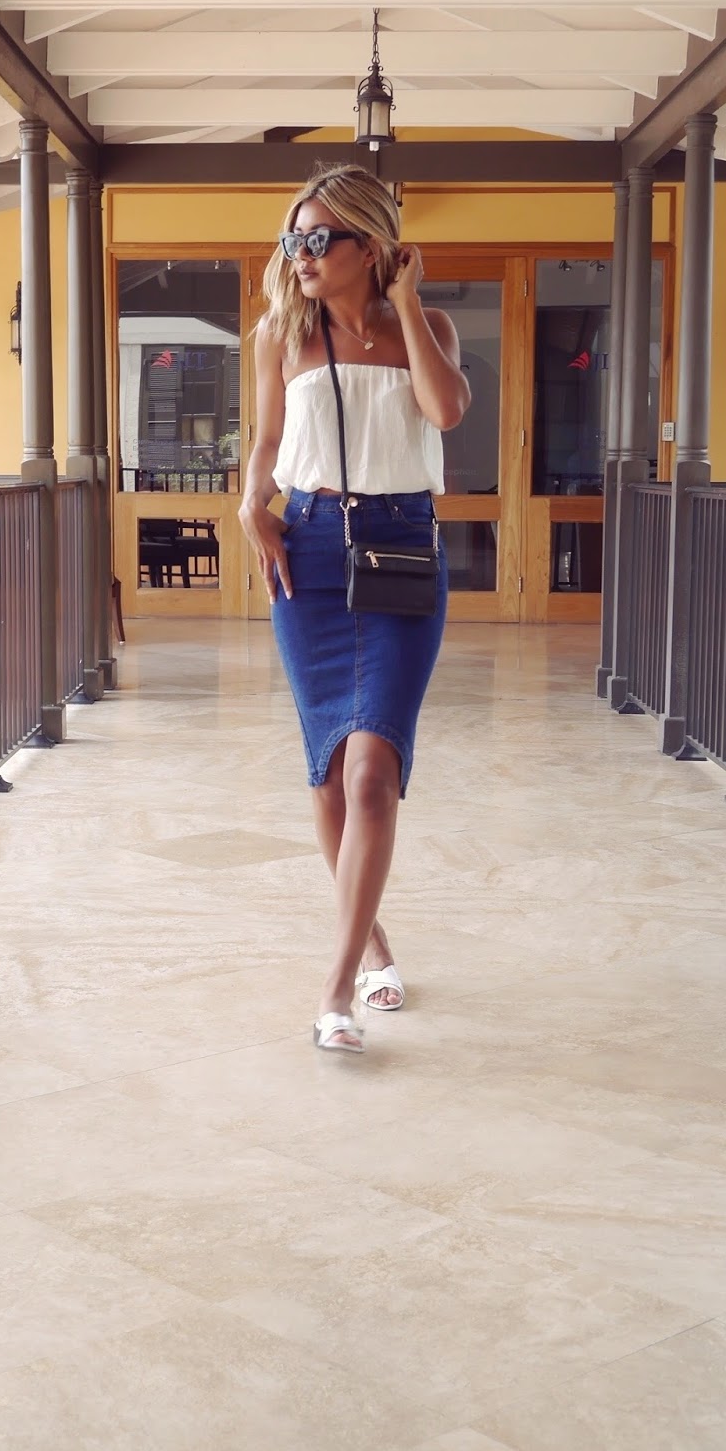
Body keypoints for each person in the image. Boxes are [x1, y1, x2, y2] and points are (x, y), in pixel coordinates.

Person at [239, 165, 470, 1055]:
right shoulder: (280, 336)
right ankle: (370, 946)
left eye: (316, 239)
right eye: (292, 239)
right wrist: (249, 505)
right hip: (308, 554)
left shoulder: (429, 327)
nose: (298, 255)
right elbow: (266, 442)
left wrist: (406, 304)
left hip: (402, 547)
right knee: (331, 771)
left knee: (376, 768)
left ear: (370, 246)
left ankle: (335, 991)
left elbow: (445, 410)